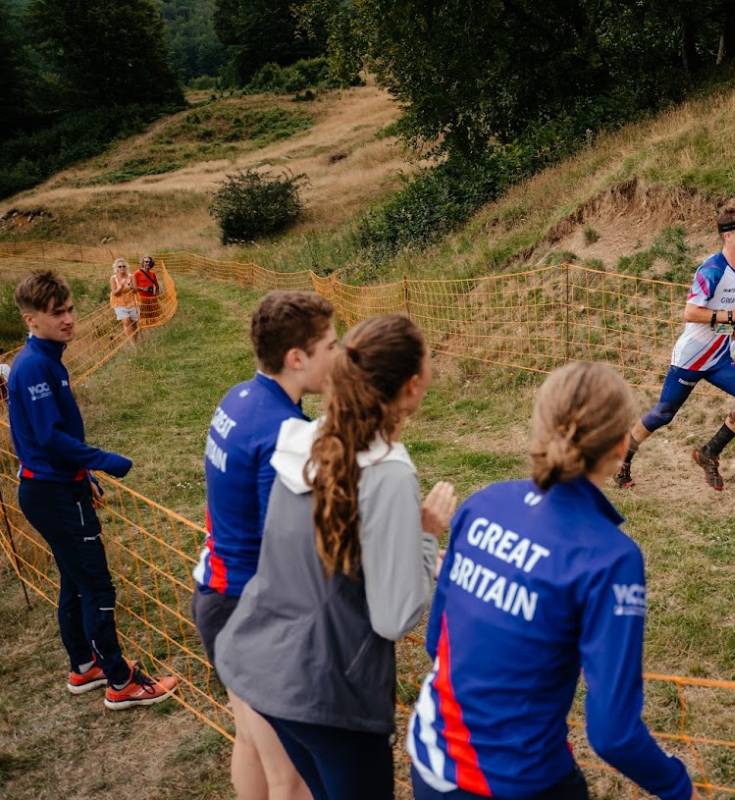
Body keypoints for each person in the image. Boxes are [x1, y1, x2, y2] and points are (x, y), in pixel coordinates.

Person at [407, 361, 696, 800]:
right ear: (622, 446)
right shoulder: (609, 558)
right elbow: (613, 733)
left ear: (538, 428)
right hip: (518, 781)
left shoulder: (482, 505)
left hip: (431, 761)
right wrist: (677, 787)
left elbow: (437, 643)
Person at [217, 313, 454, 800]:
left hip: (264, 666)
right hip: (330, 693)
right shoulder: (388, 473)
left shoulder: (300, 439)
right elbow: (395, 616)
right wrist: (425, 534)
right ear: (412, 386)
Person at [8, 270, 178, 710]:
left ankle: (84, 666)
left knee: (74, 580)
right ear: (31, 320)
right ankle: (121, 681)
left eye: (69, 309)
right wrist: (102, 460)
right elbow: (48, 436)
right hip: (52, 495)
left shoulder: (47, 359)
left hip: (57, 485)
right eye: (55, 313)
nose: (67, 319)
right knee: (97, 589)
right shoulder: (34, 368)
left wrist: (85, 475)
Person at [192, 290, 336, 800]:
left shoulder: (238, 397)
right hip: (249, 610)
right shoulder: (286, 431)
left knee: (253, 741)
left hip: (216, 593)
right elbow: (286, 542)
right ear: (297, 358)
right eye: (330, 348)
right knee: (291, 775)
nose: (336, 359)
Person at [617, 207, 735, 491]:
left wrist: (734, 326)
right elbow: (691, 312)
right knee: (664, 414)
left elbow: (720, 311)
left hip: (720, 358)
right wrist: (734, 316)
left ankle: (709, 452)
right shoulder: (711, 270)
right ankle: (623, 458)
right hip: (691, 358)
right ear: (728, 236)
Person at [109, 258, 139, 341]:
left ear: (126, 267)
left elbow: (136, 290)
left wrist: (131, 287)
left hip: (131, 302)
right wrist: (121, 287)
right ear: (116, 268)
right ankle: (132, 345)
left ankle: (135, 341)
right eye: (119, 266)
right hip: (118, 303)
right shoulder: (113, 278)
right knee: (126, 321)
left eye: (123, 266)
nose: (122, 268)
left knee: (134, 324)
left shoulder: (131, 276)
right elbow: (115, 293)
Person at [133, 255, 161, 324]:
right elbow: (132, 286)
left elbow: (157, 285)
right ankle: (146, 328)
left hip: (152, 298)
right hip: (142, 299)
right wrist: (142, 289)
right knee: (144, 315)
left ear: (151, 264)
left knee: (154, 314)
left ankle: (154, 327)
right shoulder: (137, 273)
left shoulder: (152, 273)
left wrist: (156, 294)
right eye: (146, 262)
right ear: (143, 263)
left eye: (149, 262)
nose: (147, 263)